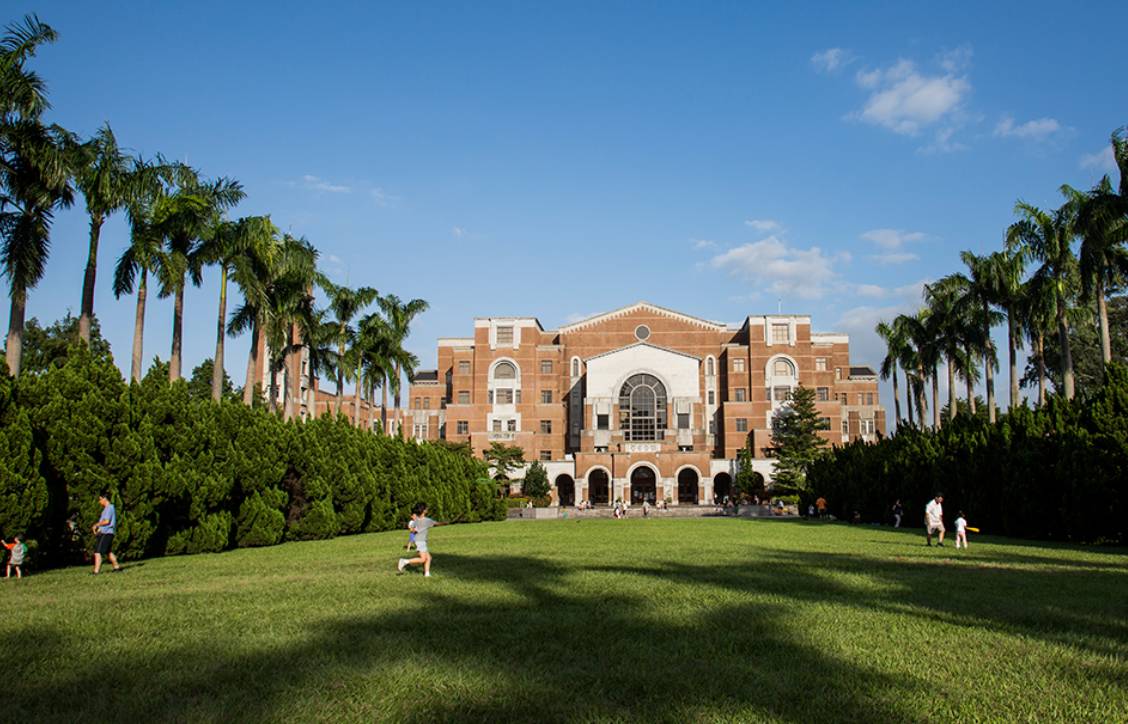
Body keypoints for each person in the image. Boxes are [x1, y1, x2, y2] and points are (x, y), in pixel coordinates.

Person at [397, 503, 449, 577]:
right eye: (426, 508)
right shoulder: (427, 520)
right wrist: (445, 523)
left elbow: (413, 528)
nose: (427, 509)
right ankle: (404, 561)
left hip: (418, 541)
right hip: (420, 541)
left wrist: (414, 529)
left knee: (429, 558)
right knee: (422, 559)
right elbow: (436, 523)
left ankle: (427, 574)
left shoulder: (416, 520)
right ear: (424, 510)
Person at [91, 492, 122, 574]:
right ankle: (117, 567)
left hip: (107, 533)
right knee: (108, 552)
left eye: (100, 499)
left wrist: (96, 525)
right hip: (106, 532)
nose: (99, 501)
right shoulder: (107, 509)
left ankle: (96, 571)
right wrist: (98, 530)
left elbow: (107, 521)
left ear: (104, 498)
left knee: (97, 552)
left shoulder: (109, 508)